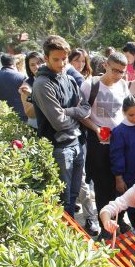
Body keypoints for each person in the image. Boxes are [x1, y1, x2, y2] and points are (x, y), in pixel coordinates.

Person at [32, 35, 90, 217]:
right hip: (57, 147)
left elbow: (86, 108)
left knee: (73, 197)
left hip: (77, 142)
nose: (61, 63)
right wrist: (75, 114)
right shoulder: (42, 84)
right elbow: (58, 122)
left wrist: (68, 111)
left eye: (64, 58)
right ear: (46, 58)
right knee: (62, 200)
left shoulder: (69, 78)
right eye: (56, 59)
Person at [80, 52, 131, 238]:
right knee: (102, 186)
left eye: (122, 72)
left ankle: (119, 221)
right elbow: (81, 113)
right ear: (105, 66)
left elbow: (125, 111)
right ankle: (105, 227)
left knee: (120, 184)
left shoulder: (124, 85)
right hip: (98, 143)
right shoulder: (90, 85)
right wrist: (96, 129)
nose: (118, 75)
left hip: (119, 141)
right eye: (115, 70)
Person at [0, 54, 27, 121]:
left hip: (3, 114)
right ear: (14, 62)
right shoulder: (22, 77)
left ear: (2, 63)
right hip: (22, 113)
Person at [18, 51, 45, 128]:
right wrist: (36, 97)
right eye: (32, 65)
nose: (37, 66)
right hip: (38, 127)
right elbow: (30, 114)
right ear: (29, 68)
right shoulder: (26, 86)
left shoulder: (55, 78)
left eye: (39, 63)